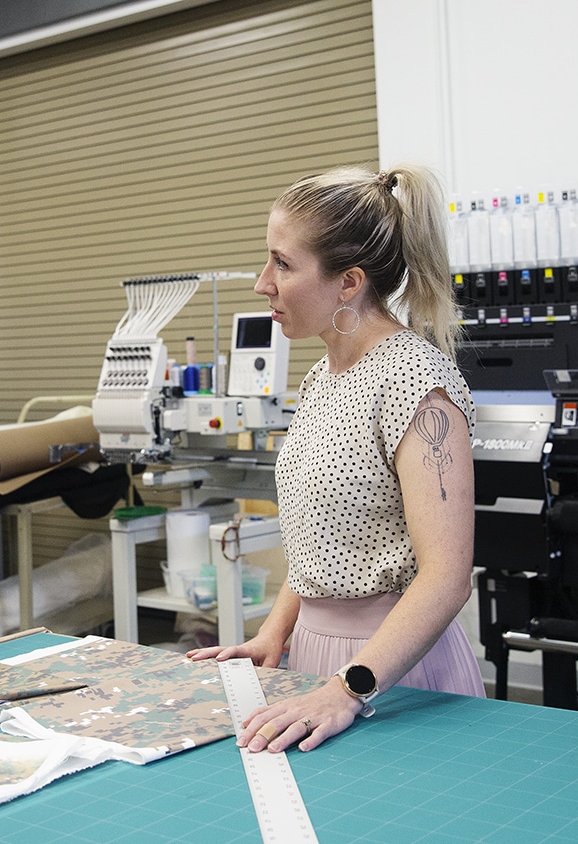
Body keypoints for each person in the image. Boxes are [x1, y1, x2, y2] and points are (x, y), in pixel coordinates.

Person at [188, 164, 482, 753]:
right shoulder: (324, 377)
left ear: (348, 283)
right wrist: (275, 633)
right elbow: (320, 539)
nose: (262, 283)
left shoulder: (417, 381)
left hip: (390, 672)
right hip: (314, 660)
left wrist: (347, 691)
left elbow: (447, 578)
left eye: (283, 264)